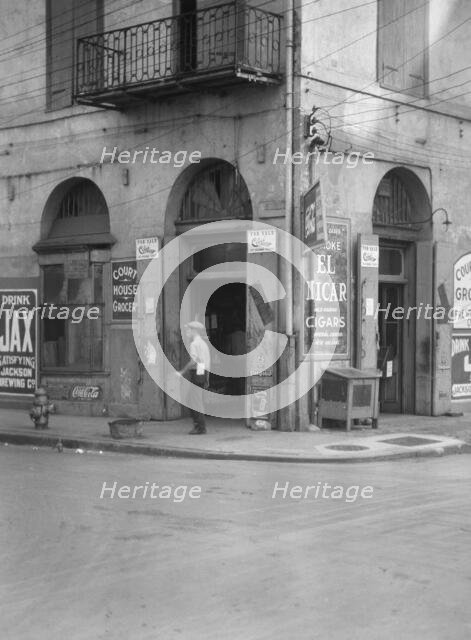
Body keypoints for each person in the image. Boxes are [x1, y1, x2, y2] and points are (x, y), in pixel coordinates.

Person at [176, 321, 211, 435]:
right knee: (196, 400)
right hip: (202, 373)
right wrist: (207, 378)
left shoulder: (194, 344)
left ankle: (200, 427)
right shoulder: (203, 344)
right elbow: (206, 362)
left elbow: (193, 361)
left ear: (194, 331)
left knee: (193, 401)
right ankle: (200, 426)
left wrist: (182, 371)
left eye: (188, 330)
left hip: (197, 373)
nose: (187, 332)